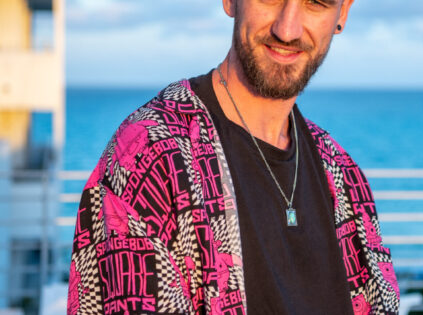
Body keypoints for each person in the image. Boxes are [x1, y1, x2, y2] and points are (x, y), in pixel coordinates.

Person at [67, 0, 399, 314]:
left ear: (343, 12)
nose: (288, 30)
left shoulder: (343, 174)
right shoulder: (151, 155)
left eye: (316, 2)